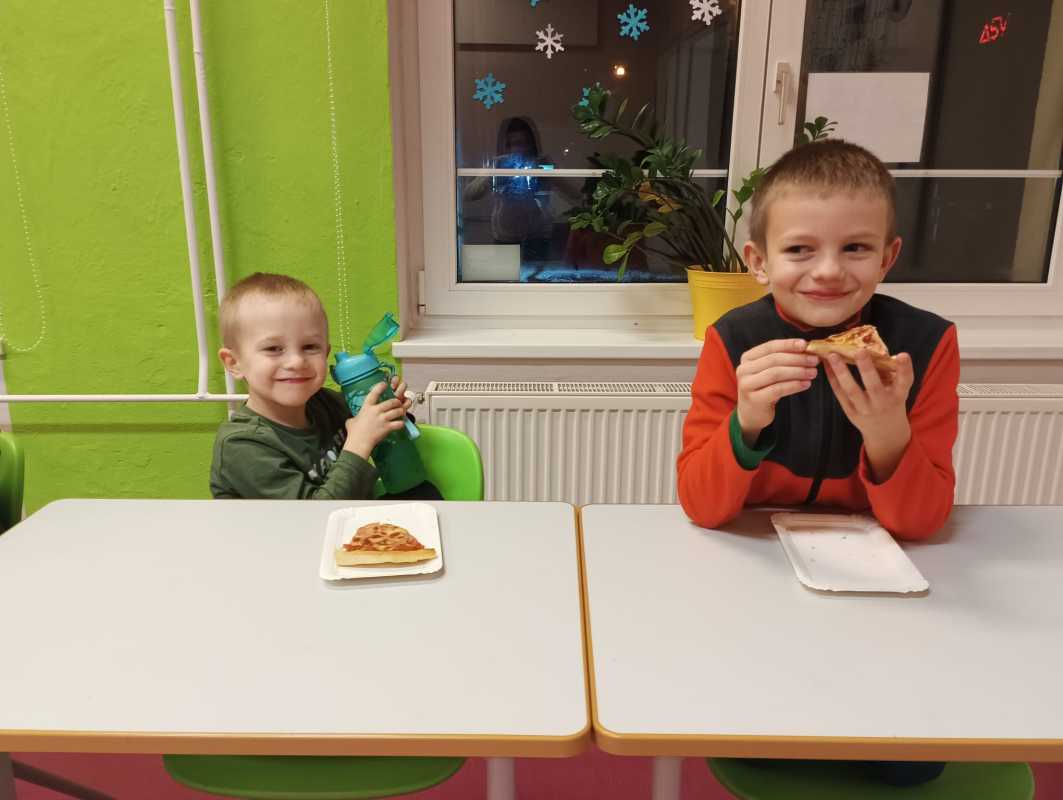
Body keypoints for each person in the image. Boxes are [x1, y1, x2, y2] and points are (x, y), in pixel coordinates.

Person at [677, 139, 958, 785]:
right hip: (757, 581)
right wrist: (747, 420)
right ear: (758, 261)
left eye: (854, 248)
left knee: (912, 768)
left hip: (883, 593)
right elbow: (701, 506)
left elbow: (921, 524)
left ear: (887, 256)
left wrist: (887, 432)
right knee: (748, 748)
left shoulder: (924, 344)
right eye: (800, 249)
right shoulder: (733, 341)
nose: (827, 272)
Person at [210, 272, 439, 501]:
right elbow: (312, 516)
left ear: (326, 353)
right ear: (234, 363)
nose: (296, 362)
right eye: (273, 349)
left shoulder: (325, 404)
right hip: (303, 521)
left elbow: (379, 432)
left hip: (347, 512)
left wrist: (389, 409)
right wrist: (359, 443)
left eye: (310, 347)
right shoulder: (241, 445)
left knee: (422, 492)